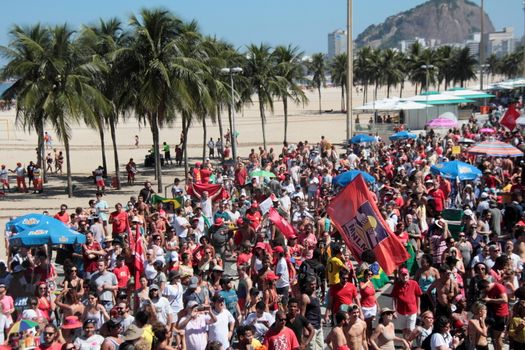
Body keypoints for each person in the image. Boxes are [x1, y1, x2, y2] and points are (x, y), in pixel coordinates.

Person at [391, 267, 422, 338]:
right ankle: (406, 343)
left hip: (412, 311)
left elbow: (418, 296)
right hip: (400, 311)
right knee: (404, 330)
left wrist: (419, 309)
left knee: (410, 330)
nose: (404, 276)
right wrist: (394, 310)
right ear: (400, 276)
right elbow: (394, 298)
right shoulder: (397, 285)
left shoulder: (414, 283)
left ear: (408, 275)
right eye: (403, 275)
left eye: (406, 275)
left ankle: (409, 346)